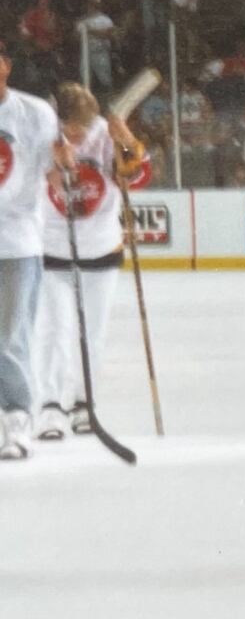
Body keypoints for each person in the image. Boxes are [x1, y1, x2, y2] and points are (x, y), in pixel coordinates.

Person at [34, 85, 151, 441]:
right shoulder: (42, 134)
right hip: (53, 247)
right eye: (72, 128)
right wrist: (51, 167)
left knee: (93, 332)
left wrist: (125, 138)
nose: (79, 135)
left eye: (85, 127)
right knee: (54, 330)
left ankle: (86, 402)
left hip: (100, 248)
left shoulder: (105, 132)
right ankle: (52, 405)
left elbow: (137, 177)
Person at [0, 40, 63, 460]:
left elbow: (55, 176)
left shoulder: (35, 113)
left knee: (11, 337)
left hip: (16, 242)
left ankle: (18, 416)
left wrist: (65, 165)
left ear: (5, 65)